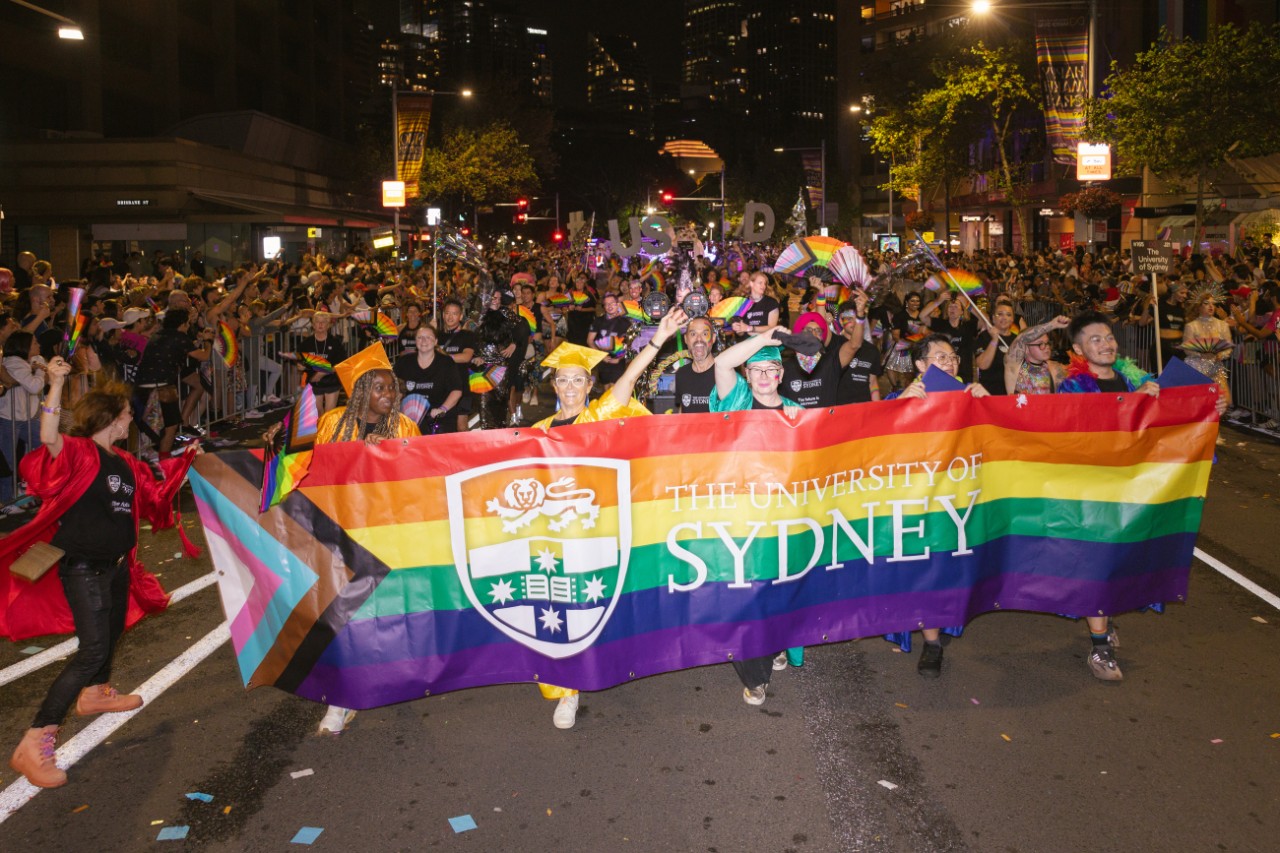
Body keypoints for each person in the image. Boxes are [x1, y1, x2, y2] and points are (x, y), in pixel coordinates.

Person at [6, 356, 196, 788]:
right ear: (109, 417)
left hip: (114, 567)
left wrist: (187, 463)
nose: (131, 418)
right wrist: (54, 383)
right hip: (83, 568)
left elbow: (153, 497)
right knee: (91, 650)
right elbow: (48, 434)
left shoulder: (125, 461)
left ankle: (94, 695)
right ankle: (35, 741)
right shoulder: (79, 451)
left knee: (110, 637)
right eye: (127, 413)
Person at [532, 308, 687, 730]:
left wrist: (659, 339)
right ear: (554, 385)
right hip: (556, 535)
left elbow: (628, 381)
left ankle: (613, 659)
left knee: (598, 603)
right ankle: (566, 691)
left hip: (599, 529)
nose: (568, 387)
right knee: (558, 606)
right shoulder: (538, 430)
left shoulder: (597, 417)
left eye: (577, 379)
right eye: (562, 379)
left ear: (589, 385)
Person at [1057, 310, 1224, 680]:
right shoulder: (1072, 387)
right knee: (1097, 567)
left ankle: (1104, 620)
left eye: (1109, 337)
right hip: (1093, 494)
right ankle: (1100, 649)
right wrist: (1134, 403)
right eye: (1095, 339)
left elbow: (1175, 421)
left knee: (1122, 561)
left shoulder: (1137, 379)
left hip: (1133, 493)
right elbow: (1083, 430)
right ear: (1078, 348)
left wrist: (1209, 409)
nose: (1106, 344)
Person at [308, 342, 421, 732]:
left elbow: (421, 475)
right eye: (379, 388)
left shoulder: (404, 427)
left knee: (387, 614)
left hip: (387, 532)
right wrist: (358, 451)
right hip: (342, 531)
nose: (389, 395)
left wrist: (389, 453)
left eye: (392, 388)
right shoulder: (333, 424)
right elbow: (316, 473)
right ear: (359, 392)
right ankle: (340, 701)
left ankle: (390, 680)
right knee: (342, 617)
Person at [885, 334, 990, 677]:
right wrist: (900, 406)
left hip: (962, 503)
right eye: (940, 357)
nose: (950, 362)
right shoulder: (903, 397)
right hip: (919, 503)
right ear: (920, 366)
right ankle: (931, 644)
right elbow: (875, 446)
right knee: (925, 569)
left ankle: (943, 621)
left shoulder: (969, 396)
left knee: (954, 567)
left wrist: (988, 404)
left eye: (953, 357)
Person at [709, 327, 803, 704]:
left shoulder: (797, 413)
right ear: (747, 375)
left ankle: (775, 642)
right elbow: (722, 361)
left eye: (771, 370)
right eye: (757, 370)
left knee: (779, 589)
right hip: (740, 518)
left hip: (784, 519)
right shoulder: (737, 402)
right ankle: (756, 675)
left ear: (781, 375)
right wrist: (765, 339)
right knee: (745, 593)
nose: (764, 377)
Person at [0, 332, 47, 502]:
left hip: (24, 419)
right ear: (24, 345)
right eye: (34, 343)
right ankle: (6, 501)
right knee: (8, 461)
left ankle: (29, 486)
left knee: (47, 444)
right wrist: (41, 370)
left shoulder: (25, 363)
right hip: (8, 419)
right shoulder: (14, 363)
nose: (38, 346)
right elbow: (35, 387)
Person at [393, 325, 465, 433]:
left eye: (428, 337)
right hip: (410, 419)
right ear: (415, 341)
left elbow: (457, 390)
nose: (424, 341)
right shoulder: (404, 362)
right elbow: (393, 386)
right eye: (420, 337)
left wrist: (442, 409)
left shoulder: (446, 362)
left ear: (435, 341)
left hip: (440, 418)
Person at [1004, 315, 1070, 395]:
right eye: (1040, 344)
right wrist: (1053, 324)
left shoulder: (1054, 368)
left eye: (1047, 343)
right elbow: (1022, 338)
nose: (1046, 347)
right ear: (1026, 348)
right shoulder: (1014, 366)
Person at [673, 316, 717, 413]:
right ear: (686, 339)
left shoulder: (724, 374)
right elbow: (682, 411)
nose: (699, 339)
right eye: (693, 334)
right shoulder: (681, 374)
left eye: (705, 334)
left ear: (713, 338)